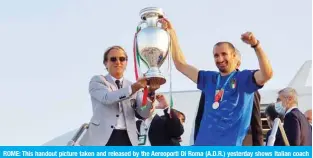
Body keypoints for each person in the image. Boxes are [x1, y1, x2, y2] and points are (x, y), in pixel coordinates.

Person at [160, 19, 273, 146]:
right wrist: (171, 33)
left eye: (224, 54)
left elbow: (267, 74)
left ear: (234, 56)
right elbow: (180, 64)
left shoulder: (244, 79)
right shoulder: (209, 79)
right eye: (216, 55)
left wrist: (256, 45)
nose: (220, 59)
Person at [80, 46, 159, 146]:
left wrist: (150, 93)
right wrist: (134, 87)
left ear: (126, 63)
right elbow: (107, 98)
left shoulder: (133, 86)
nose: (118, 62)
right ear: (105, 63)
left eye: (122, 59)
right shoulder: (97, 80)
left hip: (128, 139)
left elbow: (144, 113)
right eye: (113, 59)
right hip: (103, 139)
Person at [195, 51, 264, 146]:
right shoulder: (211, 83)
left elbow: (256, 122)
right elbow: (200, 117)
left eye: (226, 57)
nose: (221, 61)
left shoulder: (249, 87)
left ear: (237, 64)